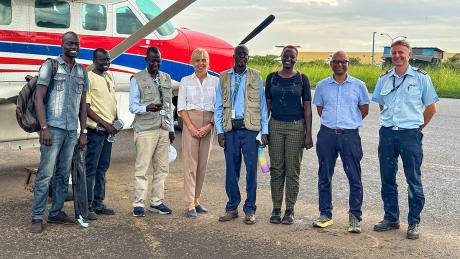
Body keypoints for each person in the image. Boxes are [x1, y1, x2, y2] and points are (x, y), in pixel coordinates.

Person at [372, 40, 438, 240]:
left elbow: (431, 109)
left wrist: (416, 128)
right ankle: (391, 218)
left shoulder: (421, 78)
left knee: (413, 180)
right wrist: (391, 123)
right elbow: (382, 105)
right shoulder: (384, 78)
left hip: (410, 135)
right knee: (387, 178)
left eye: (401, 52)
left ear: (409, 55)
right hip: (387, 134)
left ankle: (414, 222)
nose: (397, 56)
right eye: (394, 53)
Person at [31, 31, 88, 233]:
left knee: (63, 175)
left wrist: (83, 131)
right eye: (70, 43)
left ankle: (56, 212)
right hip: (53, 129)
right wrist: (44, 128)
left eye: (77, 44)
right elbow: (39, 99)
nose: (74, 46)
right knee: (45, 174)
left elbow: (83, 105)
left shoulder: (82, 72)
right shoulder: (50, 66)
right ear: (62, 44)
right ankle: (37, 217)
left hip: (72, 130)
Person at [312, 50, 369, 233]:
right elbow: (320, 109)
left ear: (348, 63)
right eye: (336, 61)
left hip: (350, 135)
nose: (339, 65)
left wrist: (348, 122)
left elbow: (364, 109)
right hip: (327, 134)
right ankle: (325, 214)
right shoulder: (322, 86)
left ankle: (354, 217)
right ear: (331, 64)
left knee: (354, 177)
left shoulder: (359, 85)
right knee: (324, 175)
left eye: (343, 61)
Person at [214, 45, 269, 225]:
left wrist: (264, 132)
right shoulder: (223, 77)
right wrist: (220, 132)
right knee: (231, 171)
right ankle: (232, 208)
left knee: (251, 172)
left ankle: (250, 209)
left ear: (248, 58)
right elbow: (218, 106)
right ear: (234, 56)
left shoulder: (256, 76)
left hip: (250, 130)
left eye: (245, 55)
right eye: (239, 55)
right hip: (230, 131)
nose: (242, 58)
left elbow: (262, 106)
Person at [265, 45, 313, 225]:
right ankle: (276, 208)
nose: (288, 59)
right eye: (286, 56)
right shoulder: (271, 78)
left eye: (292, 56)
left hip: (296, 127)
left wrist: (308, 134)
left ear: (296, 59)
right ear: (281, 57)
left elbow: (307, 107)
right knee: (276, 169)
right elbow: (267, 107)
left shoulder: (302, 79)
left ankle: (290, 210)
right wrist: (264, 131)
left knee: (292, 170)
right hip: (275, 125)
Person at [129, 47, 175, 217]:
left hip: (163, 129)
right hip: (145, 130)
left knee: (162, 168)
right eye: (152, 60)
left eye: (158, 61)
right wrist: (145, 107)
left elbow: (169, 106)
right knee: (142, 168)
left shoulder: (166, 78)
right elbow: (132, 106)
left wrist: (170, 129)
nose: (155, 64)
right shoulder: (137, 79)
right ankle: (138, 203)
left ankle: (157, 202)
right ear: (146, 60)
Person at [177, 48, 218, 218]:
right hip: (190, 121)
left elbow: (220, 107)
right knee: (190, 165)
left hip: (209, 123)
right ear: (191, 62)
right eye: (197, 60)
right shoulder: (185, 81)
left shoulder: (216, 81)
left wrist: (209, 126)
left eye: (204, 60)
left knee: (202, 164)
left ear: (208, 62)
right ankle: (189, 203)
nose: (201, 63)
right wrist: (192, 127)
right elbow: (181, 107)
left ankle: (197, 199)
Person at [84, 48, 118, 220]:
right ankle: (87, 205)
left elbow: (112, 102)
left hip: (109, 132)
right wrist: (105, 124)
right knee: (90, 168)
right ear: (94, 60)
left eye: (108, 59)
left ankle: (98, 203)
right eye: (102, 60)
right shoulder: (88, 77)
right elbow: (86, 107)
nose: (106, 62)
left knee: (102, 168)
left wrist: (116, 120)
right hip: (96, 131)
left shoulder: (109, 76)